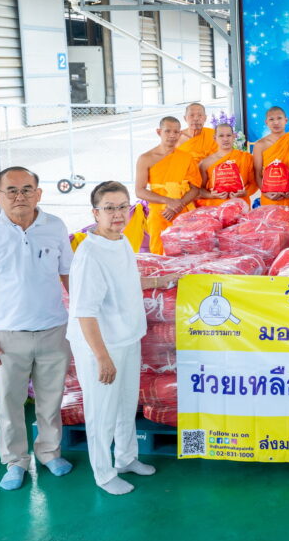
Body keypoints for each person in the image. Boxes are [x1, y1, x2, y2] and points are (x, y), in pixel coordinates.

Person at [0, 166, 74, 491]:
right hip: (6, 336)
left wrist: (83, 318)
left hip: (53, 328)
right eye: (11, 190)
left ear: (38, 194)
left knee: (51, 400)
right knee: (10, 403)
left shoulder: (55, 227)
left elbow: (68, 274)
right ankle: (15, 462)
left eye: (27, 189)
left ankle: (50, 452)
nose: (19, 196)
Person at [69, 181, 175, 495]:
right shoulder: (89, 254)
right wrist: (102, 357)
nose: (117, 214)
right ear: (95, 213)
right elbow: (84, 312)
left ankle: (126, 459)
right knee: (101, 412)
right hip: (101, 345)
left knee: (127, 404)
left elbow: (127, 280)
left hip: (128, 337)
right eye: (109, 208)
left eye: (122, 207)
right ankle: (104, 474)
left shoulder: (121, 240)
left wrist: (161, 281)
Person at [135, 116, 202, 255]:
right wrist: (169, 202)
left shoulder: (186, 157)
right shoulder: (146, 158)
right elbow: (139, 191)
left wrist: (178, 205)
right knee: (159, 253)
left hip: (183, 212)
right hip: (159, 213)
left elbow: (195, 188)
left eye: (176, 132)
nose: (172, 135)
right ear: (159, 132)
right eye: (167, 131)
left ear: (180, 133)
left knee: (186, 253)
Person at [252, 106, 289, 208]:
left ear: (286, 120)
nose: (276, 122)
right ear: (266, 122)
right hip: (271, 196)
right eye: (271, 119)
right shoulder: (260, 145)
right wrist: (265, 192)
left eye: (279, 118)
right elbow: (257, 173)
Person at [196, 123, 257, 207]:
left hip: (240, 206)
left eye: (229, 135)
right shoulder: (205, 163)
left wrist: (245, 193)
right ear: (215, 138)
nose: (225, 139)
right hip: (215, 208)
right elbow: (198, 190)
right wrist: (211, 195)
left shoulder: (246, 158)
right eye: (221, 136)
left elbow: (254, 183)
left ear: (234, 136)